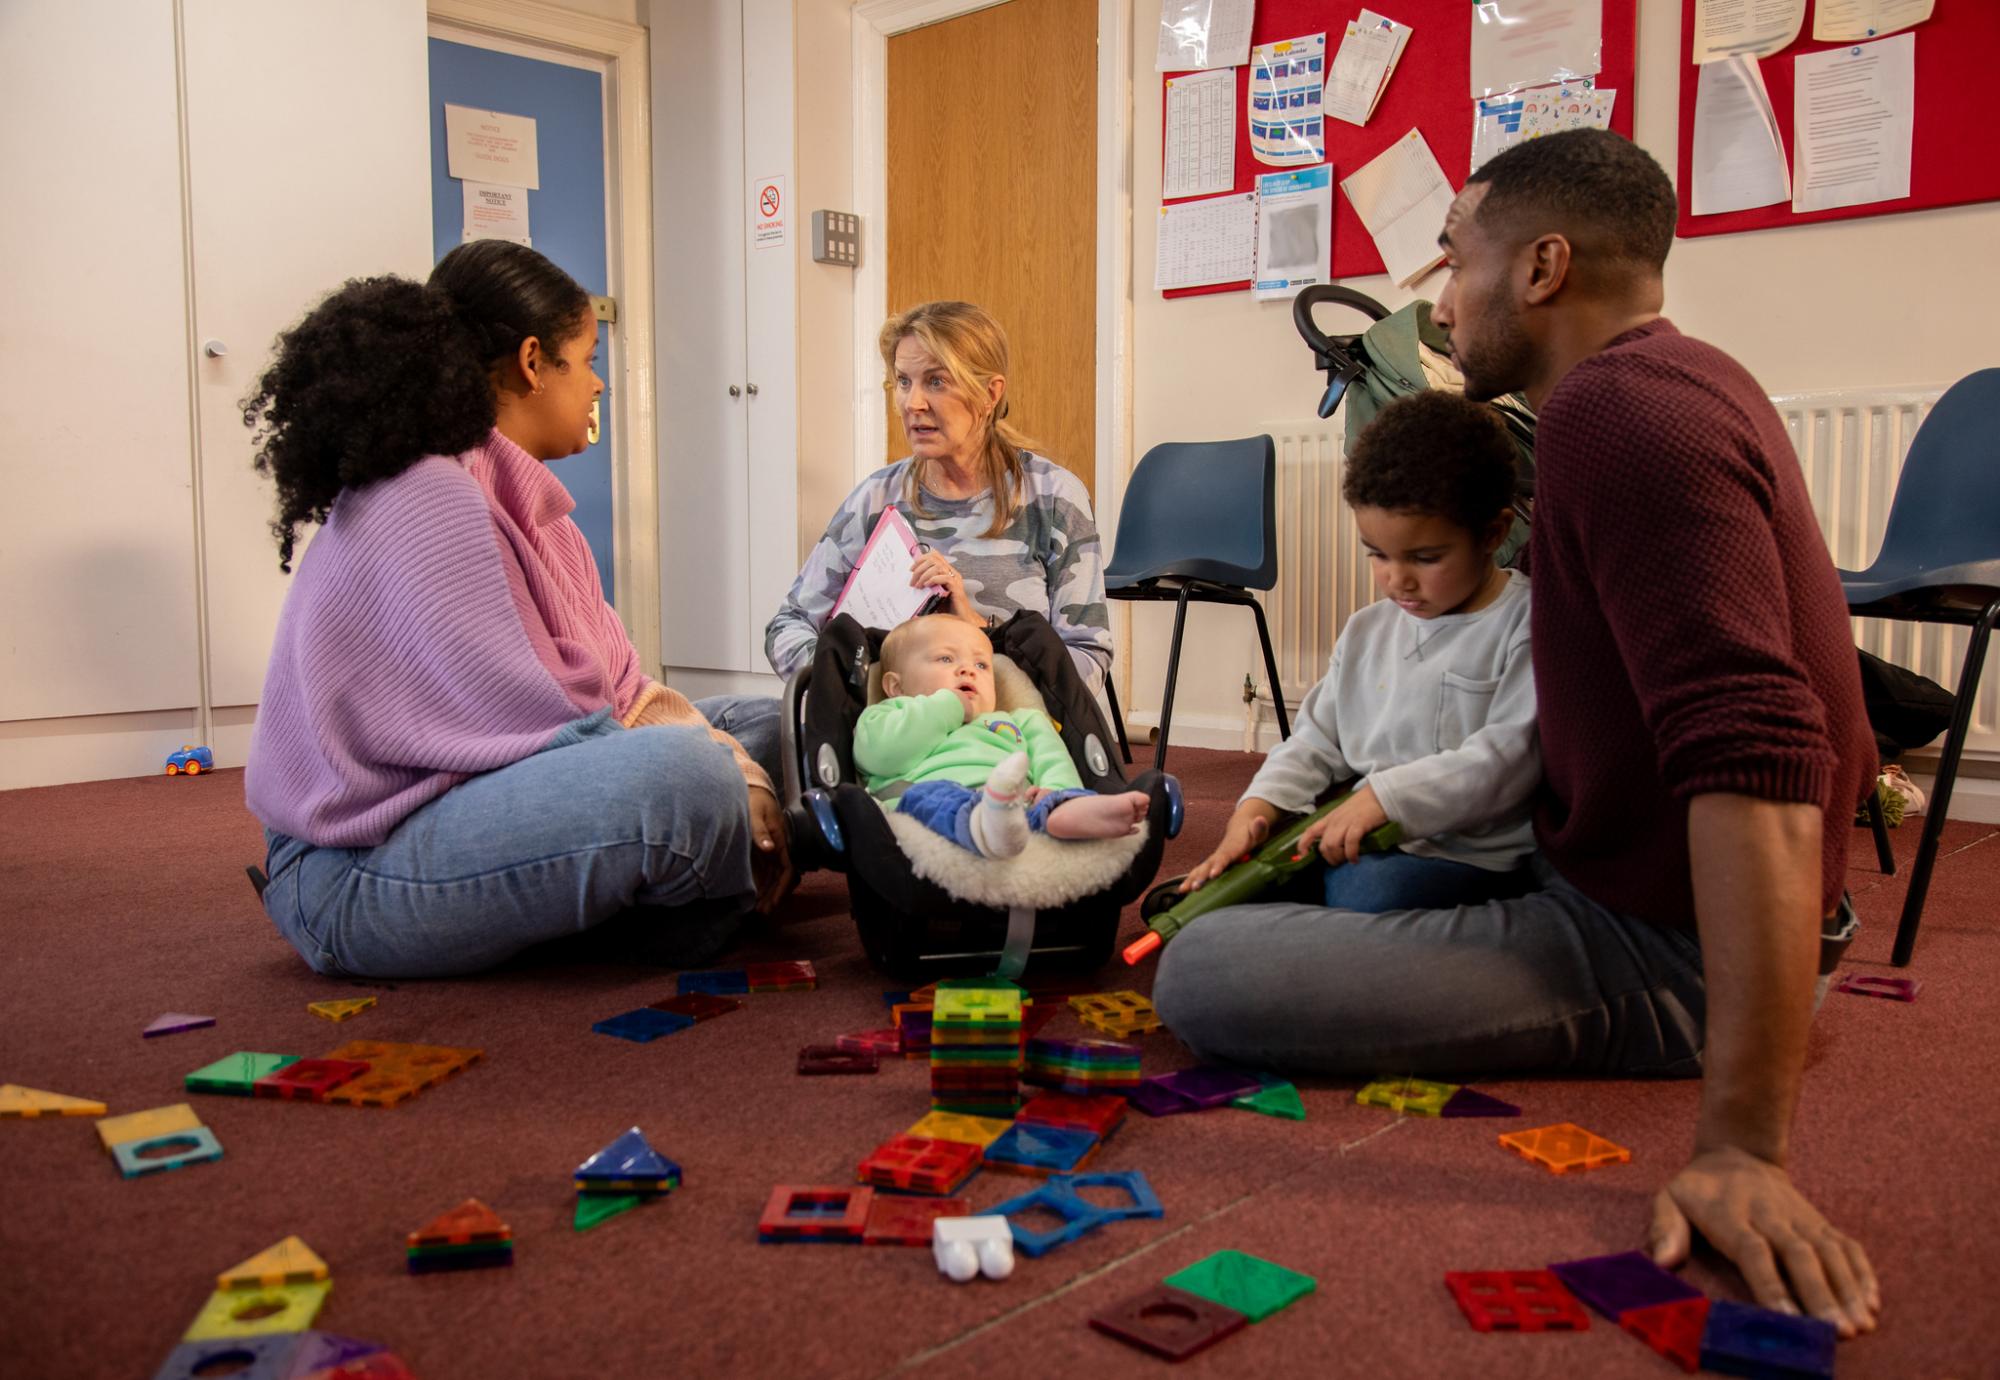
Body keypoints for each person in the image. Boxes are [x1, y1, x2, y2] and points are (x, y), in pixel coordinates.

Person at [1152, 130, 1881, 1338]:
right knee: (1335, 891)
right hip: (1641, 885)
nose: (1438, 305)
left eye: (1452, 260)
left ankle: (1720, 1027)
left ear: (1540, 266)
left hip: (1663, 950)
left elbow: (1756, 741)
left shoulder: (1616, 414)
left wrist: (1742, 1144)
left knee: (1208, 972)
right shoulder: (1685, 378)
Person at [243, 240, 788, 979]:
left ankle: (727, 863)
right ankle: (742, 866)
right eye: (588, 358)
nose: (598, 384)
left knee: (776, 724)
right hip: (356, 868)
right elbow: (557, 730)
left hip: (475, 797)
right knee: (688, 778)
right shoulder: (430, 494)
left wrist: (746, 761)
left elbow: (624, 693)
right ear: (534, 362)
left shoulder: (535, 506)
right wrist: (735, 776)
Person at [1178, 391, 1537, 912]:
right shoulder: (1369, 628)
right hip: (1360, 836)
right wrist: (1257, 806)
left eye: (1426, 557)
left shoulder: (1522, 624)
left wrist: (1383, 798)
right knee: (1233, 891)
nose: (1397, 580)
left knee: (1366, 892)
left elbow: (1506, 762)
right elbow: (1315, 740)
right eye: (1378, 555)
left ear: (1494, 533)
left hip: (1462, 859)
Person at [766, 300, 1112, 692]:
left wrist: (981, 637)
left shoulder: (1053, 496)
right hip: (888, 723)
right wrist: (857, 685)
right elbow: (787, 626)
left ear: (989, 393)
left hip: (1003, 733)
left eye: (936, 381)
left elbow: (1087, 658)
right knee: (727, 722)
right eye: (903, 381)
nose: (913, 403)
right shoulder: (876, 498)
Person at [853, 615, 1148, 859]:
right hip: (927, 807)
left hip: (1017, 806)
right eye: (945, 658)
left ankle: (1069, 814)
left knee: (1051, 800)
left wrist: (1058, 791)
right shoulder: (891, 712)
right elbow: (879, 756)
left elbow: (1053, 760)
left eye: (982, 666)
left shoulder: (1020, 720)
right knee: (924, 798)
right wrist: (948, 706)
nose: (969, 669)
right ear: (896, 686)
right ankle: (985, 825)